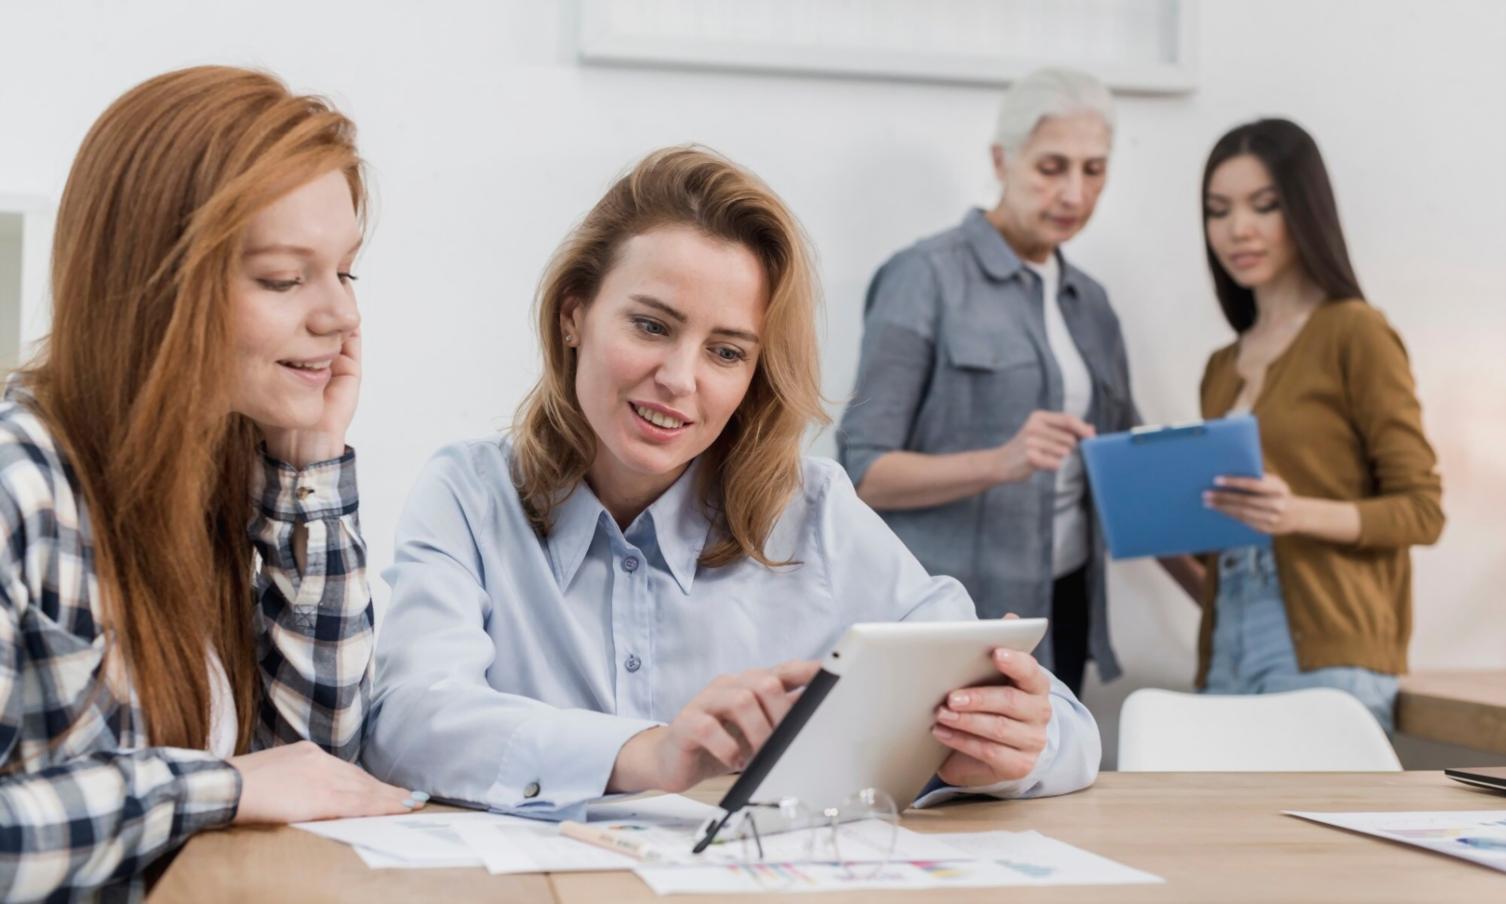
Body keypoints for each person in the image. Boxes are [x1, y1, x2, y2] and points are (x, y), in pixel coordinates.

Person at [364, 147, 1100, 816]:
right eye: (651, 326)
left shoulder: (813, 513)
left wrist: (1011, 748)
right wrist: (651, 752)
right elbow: (406, 720)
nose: (680, 379)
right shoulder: (470, 494)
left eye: (725, 352)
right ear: (573, 315)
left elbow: (1066, 727)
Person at [0, 67, 423, 901]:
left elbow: (311, 762)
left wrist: (309, 473)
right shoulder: (22, 487)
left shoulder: (222, 467)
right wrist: (215, 786)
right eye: (283, 278)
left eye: (346, 272)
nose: (341, 316)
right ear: (156, 285)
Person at [837, 68, 1200, 697]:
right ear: (1002, 160)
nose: (1073, 193)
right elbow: (862, 473)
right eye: (1051, 167)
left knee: (1050, 791)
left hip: (1066, 606)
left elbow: (1125, 474)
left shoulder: (1092, 303)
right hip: (953, 617)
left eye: (1094, 170)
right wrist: (998, 462)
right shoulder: (925, 278)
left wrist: (1214, 596)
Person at [1196, 118, 1444, 731]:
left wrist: (1296, 514)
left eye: (1265, 205)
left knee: (1308, 829)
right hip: (1225, 639)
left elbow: (1422, 510)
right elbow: (1220, 537)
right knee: (1217, 829)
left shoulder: (1355, 332)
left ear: (1304, 210)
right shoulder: (1221, 367)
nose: (1238, 229)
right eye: (1219, 210)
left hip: (1327, 645)